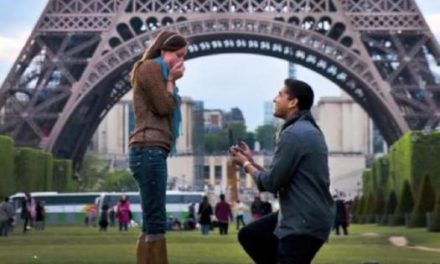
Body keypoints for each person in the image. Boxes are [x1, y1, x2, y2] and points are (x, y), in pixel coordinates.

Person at [229, 79, 334, 264]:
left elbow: (270, 183)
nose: (274, 99)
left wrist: (245, 164)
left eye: (280, 94)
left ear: (293, 102)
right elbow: (278, 178)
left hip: (301, 221)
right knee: (251, 235)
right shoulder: (306, 130)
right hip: (307, 216)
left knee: (253, 237)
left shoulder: (293, 134)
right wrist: (252, 162)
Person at [128, 30, 187, 264]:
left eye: (184, 57)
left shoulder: (157, 71)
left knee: (151, 219)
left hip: (152, 149)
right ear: (164, 50)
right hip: (148, 148)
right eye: (178, 54)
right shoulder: (151, 68)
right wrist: (171, 81)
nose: (181, 61)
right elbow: (164, 107)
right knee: (155, 219)